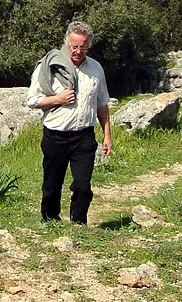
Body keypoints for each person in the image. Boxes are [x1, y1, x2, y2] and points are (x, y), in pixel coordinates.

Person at [23, 20, 112, 224]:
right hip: (56, 135)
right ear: (66, 44)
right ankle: (50, 220)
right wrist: (58, 100)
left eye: (83, 47)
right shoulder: (49, 66)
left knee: (83, 185)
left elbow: (102, 104)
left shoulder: (96, 69)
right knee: (52, 184)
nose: (78, 51)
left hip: (84, 137)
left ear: (88, 46)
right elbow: (32, 101)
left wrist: (107, 135)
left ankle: (79, 223)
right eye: (74, 46)